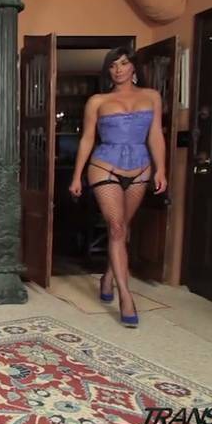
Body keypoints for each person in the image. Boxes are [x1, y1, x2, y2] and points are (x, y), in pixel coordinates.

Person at [68, 47, 167, 328]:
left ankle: (109, 277)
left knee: (123, 228)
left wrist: (161, 169)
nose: (119, 69)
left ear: (133, 67)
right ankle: (126, 297)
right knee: (116, 227)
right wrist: (76, 176)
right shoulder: (97, 101)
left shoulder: (152, 96)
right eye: (113, 65)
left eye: (124, 63)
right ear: (108, 70)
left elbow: (155, 135)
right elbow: (87, 139)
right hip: (105, 166)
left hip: (140, 168)